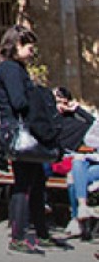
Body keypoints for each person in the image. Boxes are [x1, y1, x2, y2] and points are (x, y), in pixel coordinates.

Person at [0, 25, 70, 254]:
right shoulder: (11, 69)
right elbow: (20, 101)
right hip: (19, 131)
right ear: (17, 45)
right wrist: (41, 96)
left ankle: (40, 232)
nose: (33, 52)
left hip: (17, 130)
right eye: (29, 47)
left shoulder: (10, 68)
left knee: (36, 182)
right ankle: (19, 235)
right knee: (24, 184)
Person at [53, 86, 98, 239]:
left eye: (60, 98)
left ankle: (76, 219)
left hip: (82, 163)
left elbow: (93, 125)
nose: (58, 102)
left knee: (74, 174)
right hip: (64, 162)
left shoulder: (77, 124)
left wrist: (77, 109)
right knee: (76, 170)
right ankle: (81, 212)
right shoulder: (52, 121)